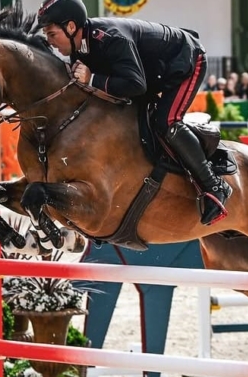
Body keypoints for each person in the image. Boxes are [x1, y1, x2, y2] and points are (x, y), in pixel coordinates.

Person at [36, 0, 231, 226]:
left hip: (186, 60)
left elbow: (136, 85)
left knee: (165, 122)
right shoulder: (80, 48)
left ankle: (214, 186)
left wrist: (92, 79)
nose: (50, 42)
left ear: (71, 27)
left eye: (52, 34)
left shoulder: (110, 39)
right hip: (154, 72)